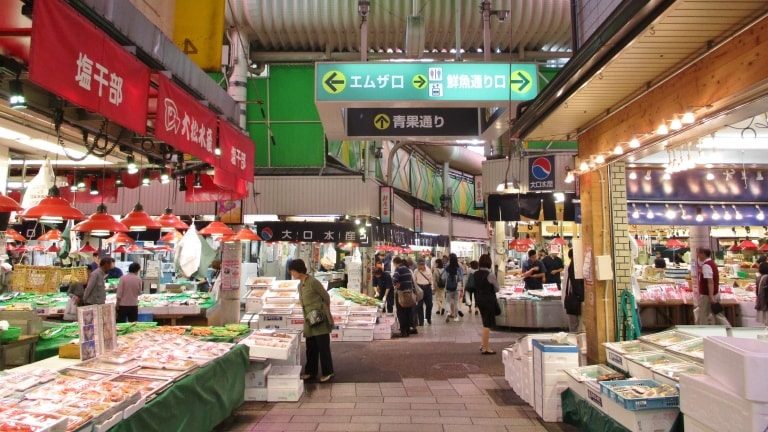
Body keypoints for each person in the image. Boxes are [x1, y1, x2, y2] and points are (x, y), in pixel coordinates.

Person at [290, 259, 334, 383]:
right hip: (309, 321)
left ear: (298, 270)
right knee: (311, 347)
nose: (291, 273)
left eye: (292, 271)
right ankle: (310, 371)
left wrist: (325, 312)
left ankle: (328, 372)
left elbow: (326, 297)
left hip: (319, 319)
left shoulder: (313, 282)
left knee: (323, 347)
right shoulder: (300, 285)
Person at [695, 248, 730, 326]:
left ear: (703, 253)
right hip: (714, 293)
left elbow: (710, 282)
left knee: (703, 315)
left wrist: (711, 296)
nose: (697, 255)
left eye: (698, 253)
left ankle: (704, 332)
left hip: (707, 295)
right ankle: (728, 329)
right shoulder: (711, 263)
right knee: (717, 314)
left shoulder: (706, 265)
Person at [474, 254, 500, 355]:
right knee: (487, 324)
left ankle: (482, 344)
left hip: (479, 299)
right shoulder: (490, 274)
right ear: (489, 263)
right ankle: (486, 348)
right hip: (488, 300)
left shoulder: (475, 274)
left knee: (484, 321)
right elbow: (497, 288)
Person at [392, 257, 417, 337]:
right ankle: (407, 330)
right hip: (409, 293)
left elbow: (394, 279)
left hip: (401, 294)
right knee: (408, 312)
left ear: (395, 263)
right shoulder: (407, 269)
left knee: (401, 312)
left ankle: (403, 332)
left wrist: (397, 284)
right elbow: (412, 282)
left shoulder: (398, 269)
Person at [563, 249, 584, 332]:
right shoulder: (574, 266)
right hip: (575, 300)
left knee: (574, 326)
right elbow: (576, 284)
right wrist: (581, 297)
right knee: (578, 327)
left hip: (571, 300)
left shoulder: (571, 266)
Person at [442, 253, 464, 322]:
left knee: (448, 301)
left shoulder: (447, 267)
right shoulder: (459, 268)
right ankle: (456, 317)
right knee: (456, 302)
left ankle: (448, 312)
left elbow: (443, 277)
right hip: (457, 288)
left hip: (448, 287)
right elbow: (461, 278)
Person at [413, 259, 433, 326]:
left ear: (423, 265)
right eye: (418, 265)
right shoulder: (416, 271)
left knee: (429, 304)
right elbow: (414, 280)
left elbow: (431, 280)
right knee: (419, 305)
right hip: (419, 288)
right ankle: (421, 321)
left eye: (420, 265)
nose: (419, 267)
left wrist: (432, 288)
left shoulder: (428, 270)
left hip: (427, 288)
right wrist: (416, 290)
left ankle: (428, 318)